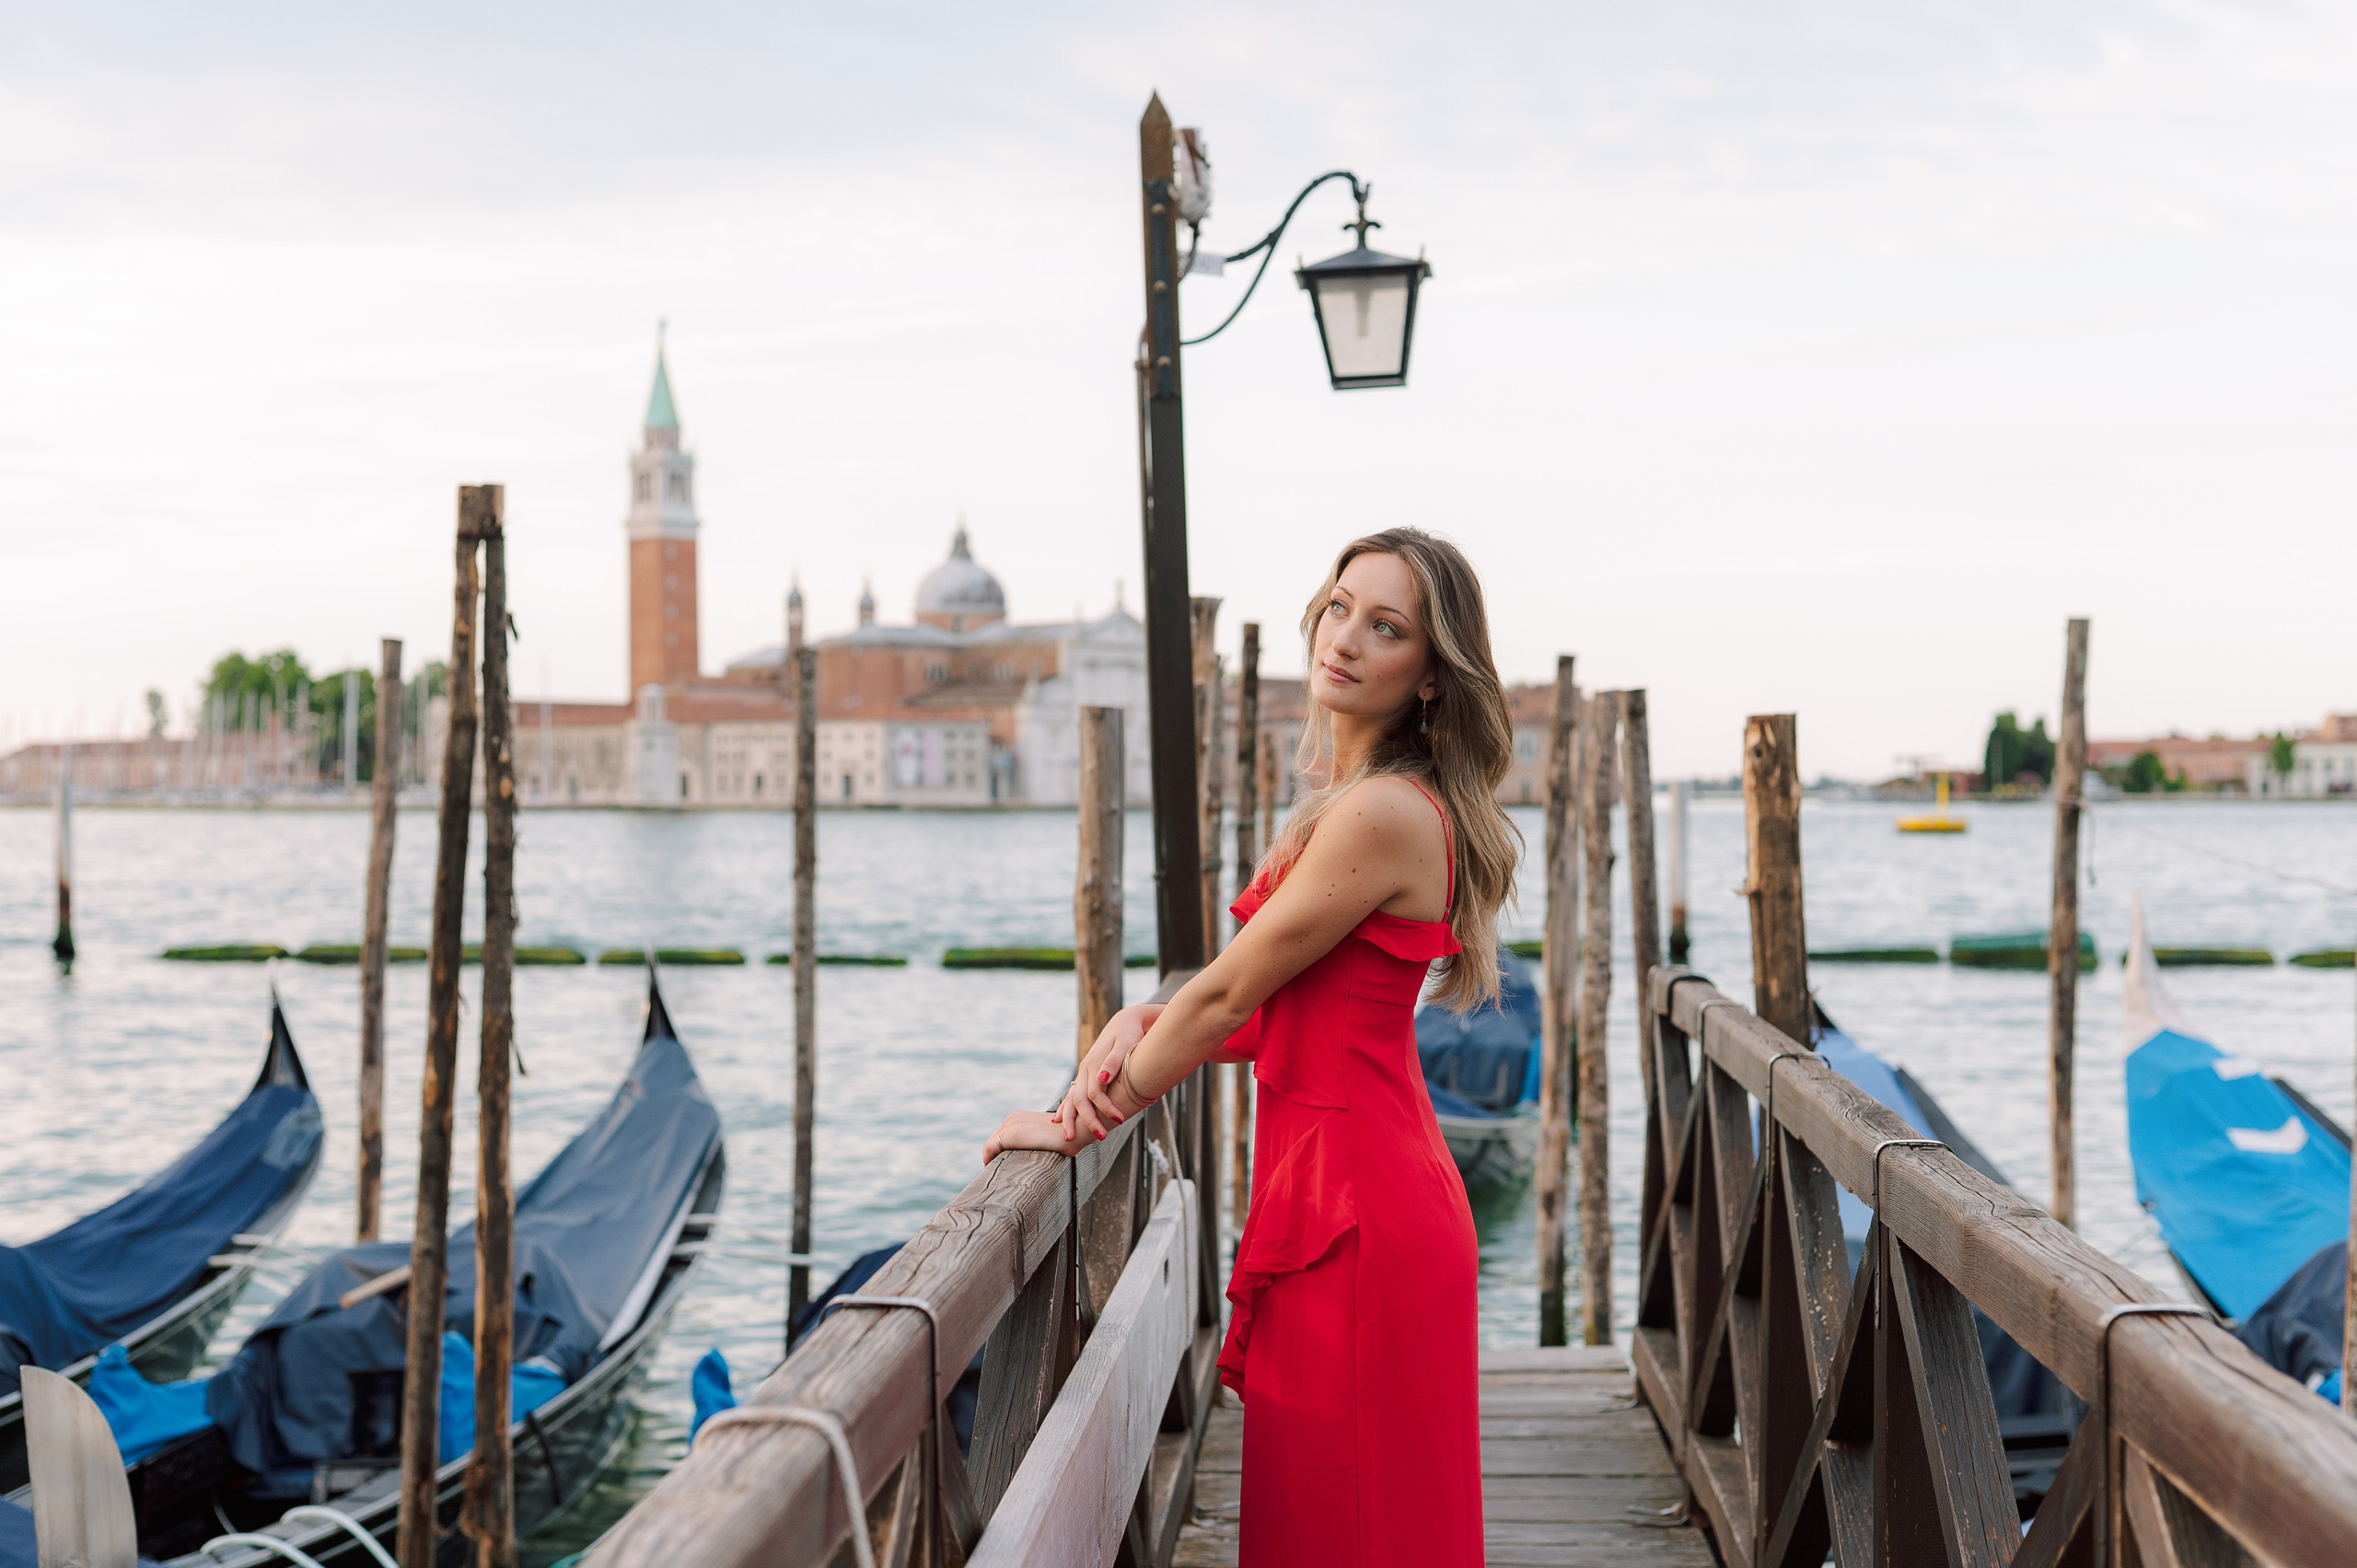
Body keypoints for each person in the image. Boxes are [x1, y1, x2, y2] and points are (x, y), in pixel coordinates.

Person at [984, 527, 1518, 1567]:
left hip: (1358, 1212)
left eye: (1387, 625)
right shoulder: (1367, 804)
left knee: (1350, 1527)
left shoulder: (1376, 811)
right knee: (1336, 1521)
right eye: (1338, 605)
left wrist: (1081, 1116)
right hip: (1353, 1188)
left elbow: (1228, 993)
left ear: (1429, 677)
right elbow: (1292, 1011)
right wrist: (1139, 1024)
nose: (1345, 637)